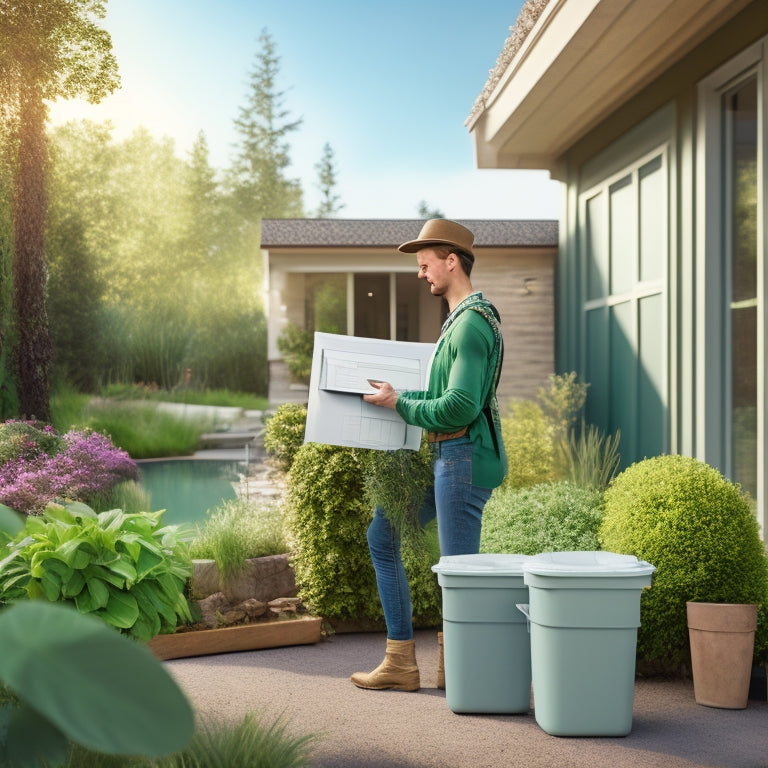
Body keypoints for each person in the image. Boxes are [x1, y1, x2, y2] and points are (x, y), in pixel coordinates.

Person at [350, 219, 507, 692]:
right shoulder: (459, 321)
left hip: (463, 457)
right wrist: (397, 394)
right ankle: (400, 661)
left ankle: (462, 672)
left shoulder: (472, 326)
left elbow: (460, 405)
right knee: (383, 534)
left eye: (424, 265)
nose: (420, 275)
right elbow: (443, 392)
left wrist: (400, 404)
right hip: (447, 455)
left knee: (458, 572)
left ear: (451, 260)